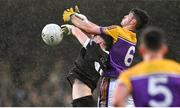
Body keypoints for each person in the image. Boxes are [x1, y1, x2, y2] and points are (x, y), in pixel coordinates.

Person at [62, 7, 149, 106]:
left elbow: (91, 30)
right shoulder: (133, 38)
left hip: (113, 83)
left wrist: (72, 17)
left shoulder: (118, 31)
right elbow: (98, 35)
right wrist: (85, 21)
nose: (125, 16)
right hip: (126, 84)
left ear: (133, 22)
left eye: (128, 15)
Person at [112, 27, 180, 107]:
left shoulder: (130, 75)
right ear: (164, 49)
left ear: (141, 50)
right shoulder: (177, 70)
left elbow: (117, 101)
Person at [61, 24, 113, 107]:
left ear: (101, 42)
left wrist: (72, 28)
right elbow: (90, 33)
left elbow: (80, 35)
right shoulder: (102, 55)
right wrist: (82, 22)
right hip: (83, 101)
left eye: (95, 36)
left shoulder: (96, 50)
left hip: (83, 102)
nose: (92, 37)